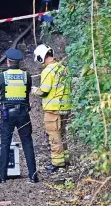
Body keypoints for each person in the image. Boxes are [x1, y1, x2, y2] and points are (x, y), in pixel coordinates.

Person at [0, 48, 39, 183]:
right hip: (23, 114)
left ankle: (2, 177)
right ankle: (33, 176)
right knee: (27, 142)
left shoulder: (2, 76)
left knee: (5, 144)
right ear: (19, 62)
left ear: (8, 62)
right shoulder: (27, 76)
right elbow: (27, 92)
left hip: (7, 115)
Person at [32, 44, 71, 173]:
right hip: (65, 107)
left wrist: (33, 90)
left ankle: (57, 163)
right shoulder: (63, 68)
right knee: (62, 135)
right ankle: (65, 159)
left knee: (54, 137)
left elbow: (44, 91)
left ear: (40, 57)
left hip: (53, 110)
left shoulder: (48, 70)